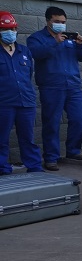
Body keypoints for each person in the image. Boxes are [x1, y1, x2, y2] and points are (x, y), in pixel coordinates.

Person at [26, 6, 82, 170]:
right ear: (48, 21)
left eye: (63, 22)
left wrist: (81, 45)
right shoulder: (36, 38)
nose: (61, 24)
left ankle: (73, 151)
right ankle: (51, 157)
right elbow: (35, 53)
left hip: (73, 86)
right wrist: (54, 41)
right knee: (52, 123)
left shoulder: (70, 38)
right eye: (57, 21)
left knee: (78, 119)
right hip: (51, 87)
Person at [0, 11, 43, 175]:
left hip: (26, 101)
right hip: (4, 103)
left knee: (27, 138)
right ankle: (2, 168)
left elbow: (28, 74)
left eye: (12, 29)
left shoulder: (24, 51)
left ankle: (34, 167)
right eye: (5, 29)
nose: (10, 32)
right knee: (2, 138)